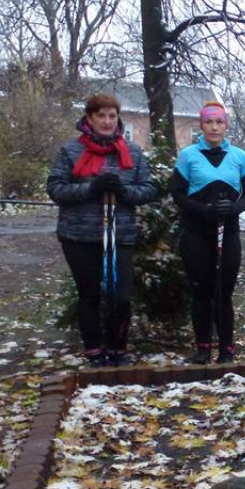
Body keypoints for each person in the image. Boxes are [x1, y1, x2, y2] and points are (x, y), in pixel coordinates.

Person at [47, 93, 158, 367]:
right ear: (89, 118)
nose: (107, 121)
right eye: (101, 116)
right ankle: (94, 350)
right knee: (90, 295)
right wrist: (90, 188)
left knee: (120, 297)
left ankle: (118, 349)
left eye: (112, 116)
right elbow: (56, 188)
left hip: (120, 234)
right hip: (79, 235)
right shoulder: (71, 151)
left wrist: (123, 191)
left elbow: (149, 188)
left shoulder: (132, 151)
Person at [169, 101, 245, 364]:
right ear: (201, 125)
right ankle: (203, 346)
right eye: (209, 122)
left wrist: (233, 208)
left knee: (223, 292)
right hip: (196, 232)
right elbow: (178, 194)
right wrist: (203, 210)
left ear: (226, 125)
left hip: (226, 233)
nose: (214, 127)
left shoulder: (239, 156)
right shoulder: (188, 155)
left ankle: (226, 348)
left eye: (219, 122)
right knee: (201, 292)